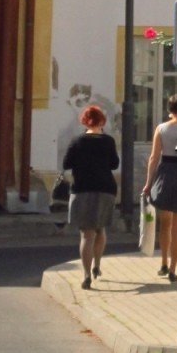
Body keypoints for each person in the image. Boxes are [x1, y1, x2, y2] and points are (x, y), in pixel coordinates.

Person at [141, 95, 177, 283]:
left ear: (170, 109)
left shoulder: (161, 129)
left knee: (165, 224)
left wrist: (148, 183)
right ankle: (174, 269)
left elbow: (154, 157)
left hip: (165, 174)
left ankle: (164, 263)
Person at [62, 104, 120, 290]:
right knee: (100, 229)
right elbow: (114, 164)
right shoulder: (108, 141)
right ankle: (97, 266)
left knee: (87, 235)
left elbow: (66, 163)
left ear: (84, 121)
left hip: (82, 189)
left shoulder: (77, 141)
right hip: (105, 188)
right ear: (101, 121)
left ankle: (86, 274)